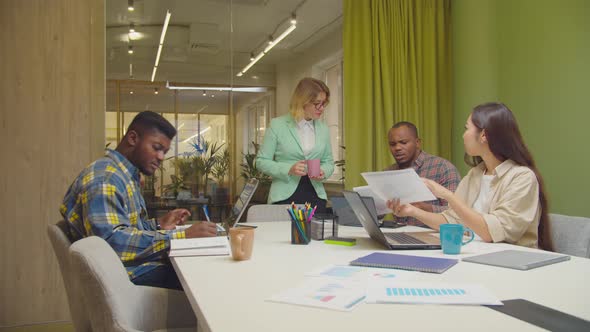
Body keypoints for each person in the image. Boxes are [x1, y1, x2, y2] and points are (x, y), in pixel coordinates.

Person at [61, 111, 217, 290]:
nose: (161, 157)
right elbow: (112, 245)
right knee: (208, 272)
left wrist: (159, 224)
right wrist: (181, 236)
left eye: (164, 151)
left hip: (130, 269)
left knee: (204, 264)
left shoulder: (123, 175)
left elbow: (126, 229)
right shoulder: (106, 179)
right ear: (133, 138)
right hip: (125, 278)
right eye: (156, 147)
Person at [387, 102, 551, 249]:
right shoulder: (475, 174)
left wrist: (447, 195)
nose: (463, 135)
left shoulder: (522, 177)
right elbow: (451, 222)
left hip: (510, 262)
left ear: (483, 135)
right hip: (476, 256)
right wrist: (412, 211)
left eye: (467, 128)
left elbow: (492, 233)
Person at [256, 77, 334, 213]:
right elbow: (261, 161)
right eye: (317, 103)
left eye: (324, 103)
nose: (321, 108)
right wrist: (288, 169)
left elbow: (328, 162)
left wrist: (323, 171)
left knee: (315, 234)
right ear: (303, 101)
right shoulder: (277, 125)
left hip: (316, 196)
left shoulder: (323, 128)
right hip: (284, 196)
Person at [385, 121, 461, 226]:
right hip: (400, 235)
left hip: (433, 236)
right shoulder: (389, 173)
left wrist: (424, 208)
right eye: (392, 144)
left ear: (417, 143)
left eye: (403, 142)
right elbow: (379, 212)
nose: (397, 148)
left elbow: (457, 214)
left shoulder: (443, 168)